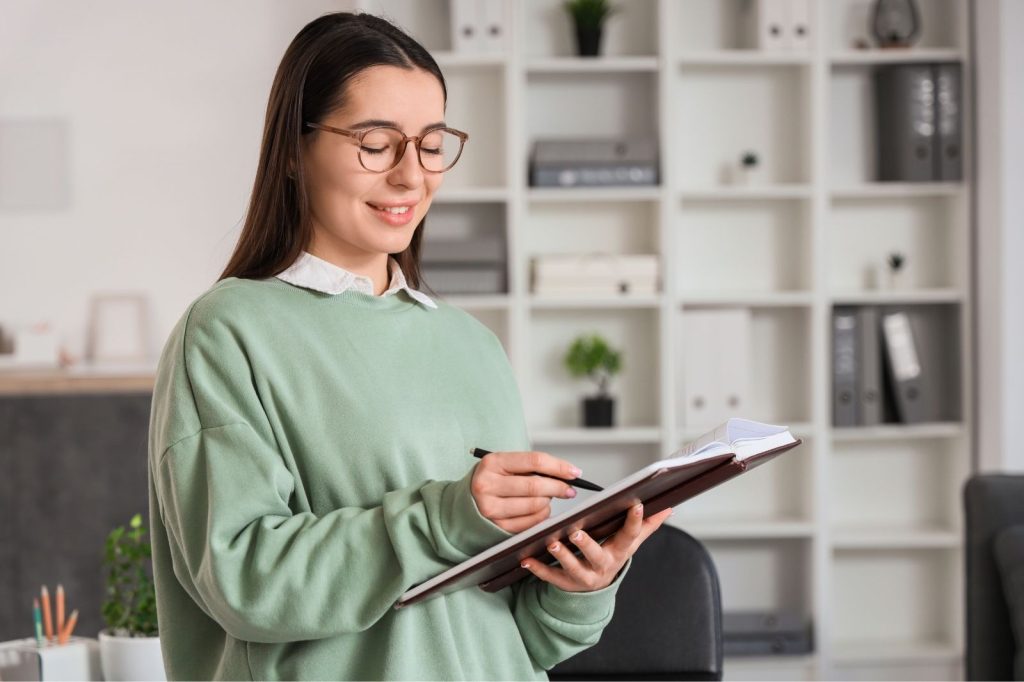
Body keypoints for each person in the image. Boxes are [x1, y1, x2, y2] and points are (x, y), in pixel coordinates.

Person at [147, 11, 671, 681]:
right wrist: (447, 518)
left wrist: (579, 588)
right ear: (291, 149)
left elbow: (513, 640)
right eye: (375, 142)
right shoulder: (227, 333)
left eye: (431, 144)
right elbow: (242, 581)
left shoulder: (473, 346)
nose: (410, 175)